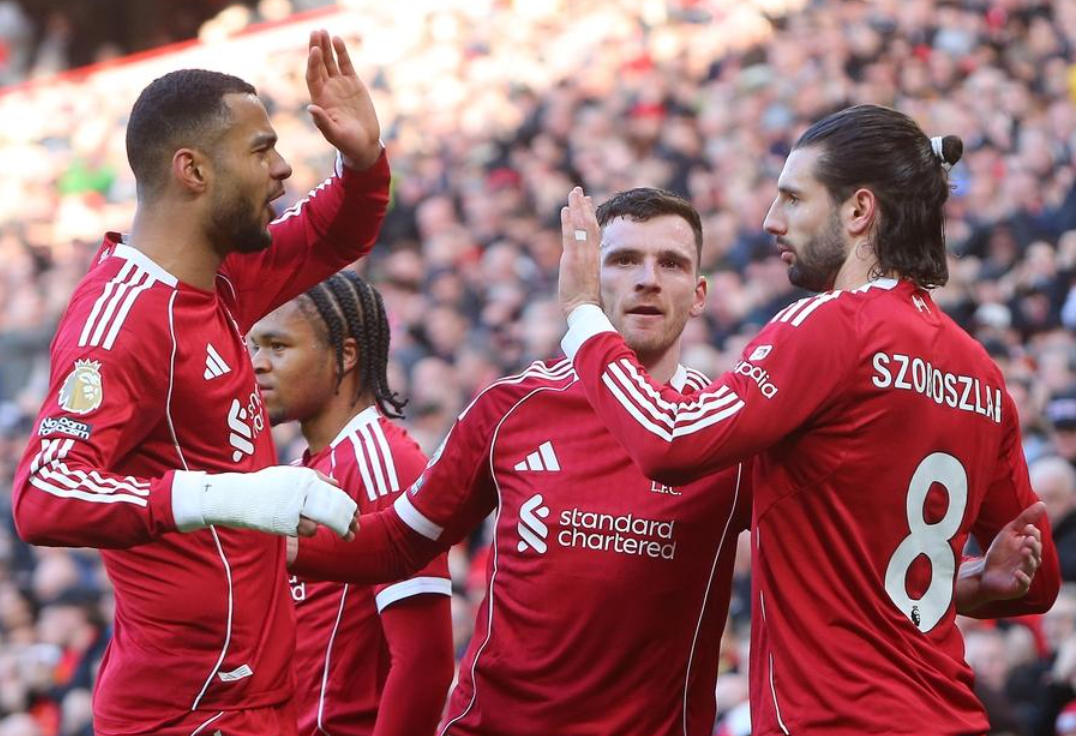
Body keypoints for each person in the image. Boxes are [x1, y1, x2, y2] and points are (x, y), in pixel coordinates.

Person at [289, 188, 1046, 736]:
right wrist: (269, 543)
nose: (647, 278)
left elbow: (848, 577)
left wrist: (965, 587)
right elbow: (399, 542)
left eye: (671, 263)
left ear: (700, 293)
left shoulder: (734, 438)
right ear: (590, 280)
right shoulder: (510, 407)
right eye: (623, 259)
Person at [557, 105, 1061, 735]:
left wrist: (583, 313)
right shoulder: (981, 373)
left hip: (830, 719)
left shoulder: (831, 323)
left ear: (858, 211)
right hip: (949, 717)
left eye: (794, 198)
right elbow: (1036, 582)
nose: (772, 220)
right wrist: (974, 587)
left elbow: (669, 440)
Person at [11, 31, 387, 736]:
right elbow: (43, 495)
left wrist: (362, 160)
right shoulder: (120, 323)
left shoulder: (219, 279)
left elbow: (334, 235)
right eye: (261, 150)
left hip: (252, 698)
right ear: (192, 170)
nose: (282, 168)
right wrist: (228, 497)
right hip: (186, 714)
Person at [248, 270, 454, 736]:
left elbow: (426, 661)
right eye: (255, 346)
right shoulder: (301, 470)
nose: (257, 364)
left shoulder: (385, 463)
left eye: (278, 346)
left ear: (345, 355)